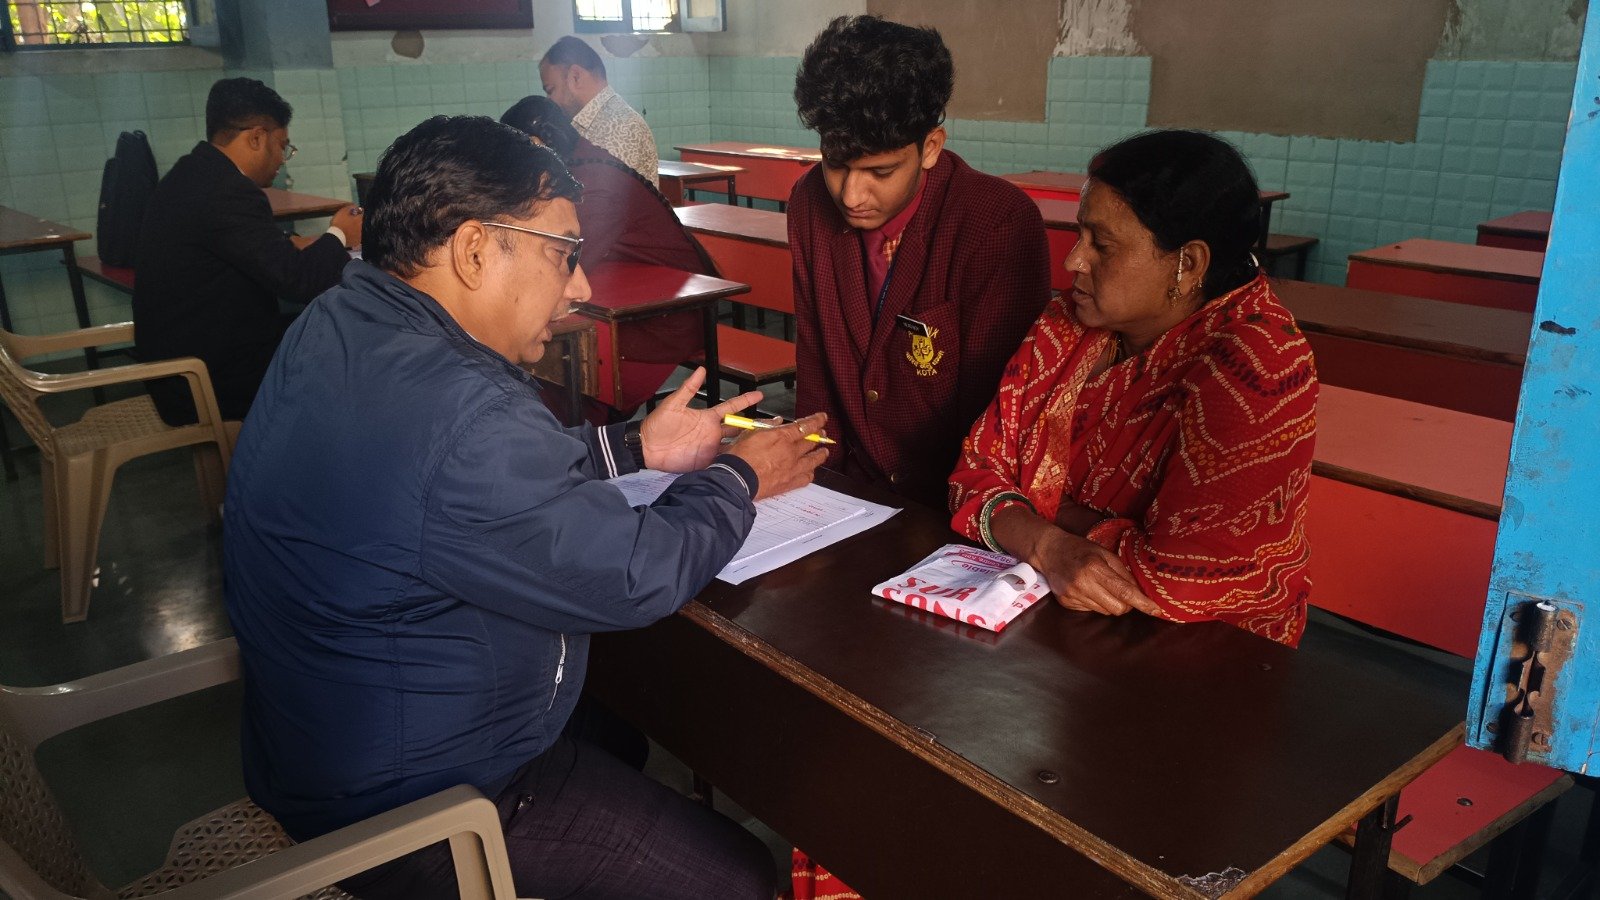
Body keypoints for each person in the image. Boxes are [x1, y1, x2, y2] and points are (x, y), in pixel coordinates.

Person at [223, 114, 829, 900]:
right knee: (737, 877)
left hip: (325, 734)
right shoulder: (460, 410)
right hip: (416, 800)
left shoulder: (340, 322)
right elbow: (634, 572)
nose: (580, 287)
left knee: (617, 730)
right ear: (475, 249)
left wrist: (636, 446)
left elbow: (460, 483)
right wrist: (740, 477)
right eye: (563, 253)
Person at [950, 129, 1318, 648]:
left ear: (1188, 264)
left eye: (1101, 245)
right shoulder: (1066, 323)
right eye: (1080, 235)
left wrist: (1032, 508)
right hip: (1046, 613)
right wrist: (1050, 545)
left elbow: (1178, 581)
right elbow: (973, 474)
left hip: (1207, 650)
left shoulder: (1256, 366)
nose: (1073, 261)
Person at [788, 15, 1051, 510]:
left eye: (880, 171)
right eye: (835, 164)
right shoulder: (807, 202)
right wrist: (817, 485)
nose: (851, 194)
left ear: (930, 147)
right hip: (850, 488)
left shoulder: (996, 222)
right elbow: (816, 364)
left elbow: (998, 413)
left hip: (952, 500)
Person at [133, 76, 362, 425]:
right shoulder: (228, 191)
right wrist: (340, 233)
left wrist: (297, 244)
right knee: (350, 350)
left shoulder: (192, 173)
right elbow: (298, 282)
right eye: (282, 145)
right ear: (256, 137)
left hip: (182, 364)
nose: (282, 158)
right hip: (209, 382)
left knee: (323, 335)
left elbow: (243, 247)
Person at [501, 95, 713, 419]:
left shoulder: (594, 182)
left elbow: (566, 261)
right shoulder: (570, 170)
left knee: (566, 388)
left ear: (541, 141)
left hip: (665, 317)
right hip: (621, 300)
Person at [540, 35, 659, 186]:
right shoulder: (588, 124)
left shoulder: (619, 126)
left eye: (550, 90)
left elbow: (598, 195)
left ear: (575, 77)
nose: (549, 100)